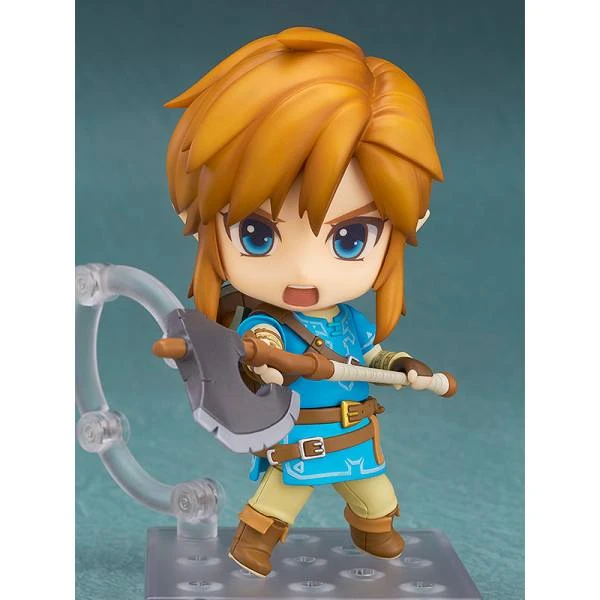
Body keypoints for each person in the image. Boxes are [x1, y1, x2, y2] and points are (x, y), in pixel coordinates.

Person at [163, 26, 443, 577]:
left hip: (356, 436)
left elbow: (374, 355)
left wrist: (403, 365)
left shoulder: (350, 322)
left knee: (378, 496)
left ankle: (372, 531)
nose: (304, 272)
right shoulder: (270, 324)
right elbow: (258, 346)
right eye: (257, 235)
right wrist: (263, 362)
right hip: (300, 433)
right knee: (281, 495)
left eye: (350, 239)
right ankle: (254, 542)